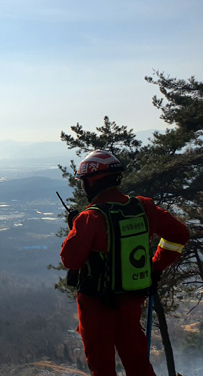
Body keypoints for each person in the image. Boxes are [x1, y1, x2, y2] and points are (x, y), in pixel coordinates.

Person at [60, 150, 189, 376]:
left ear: (91, 182)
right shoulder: (144, 208)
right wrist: (155, 267)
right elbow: (179, 234)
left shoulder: (90, 218)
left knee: (102, 367)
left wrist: (75, 228)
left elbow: (70, 258)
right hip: (131, 300)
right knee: (138, 362)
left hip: (96, 306)